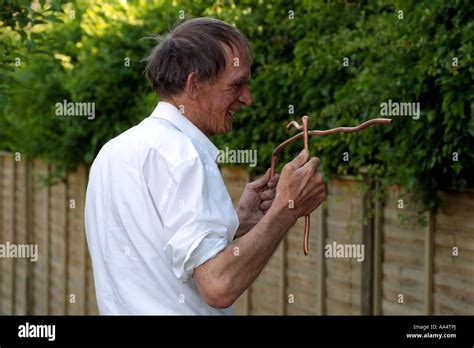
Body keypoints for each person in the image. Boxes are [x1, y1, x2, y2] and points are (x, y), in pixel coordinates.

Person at [84, 17, 326, 315]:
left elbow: (159, 257)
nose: (247, 99)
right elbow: (217, 286)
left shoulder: (112, 152)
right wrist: (287, 208)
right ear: (194, 85)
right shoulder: (183, 155)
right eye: (236, 84)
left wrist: (236, 222)